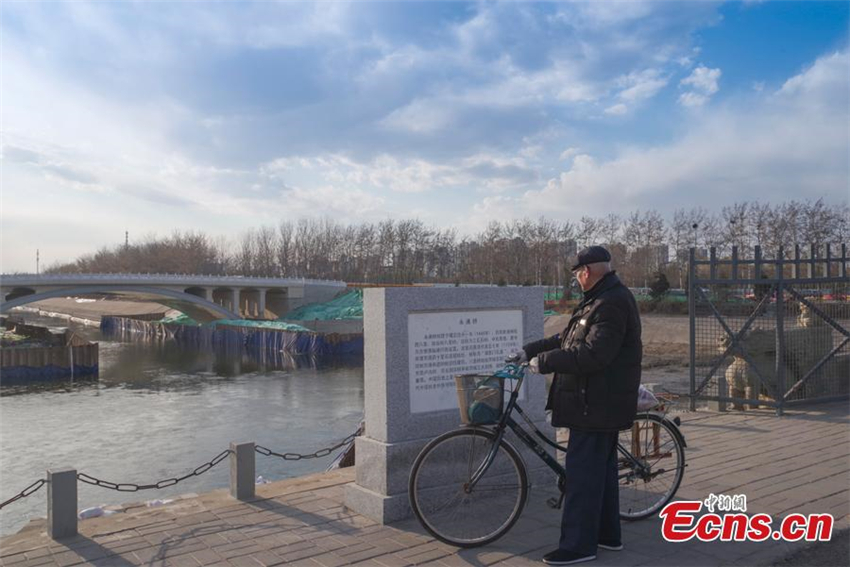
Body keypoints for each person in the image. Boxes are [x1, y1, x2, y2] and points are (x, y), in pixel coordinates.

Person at [514, 245, 642, 566]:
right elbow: (567, 339)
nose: (577, 280)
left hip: (596, 404)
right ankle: (607, 536)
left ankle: (578, 546)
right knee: (601, 473)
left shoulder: (611, 302)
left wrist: (542, 364)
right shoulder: (599, 298)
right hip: (597, 401)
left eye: (577, 274)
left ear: (586, 272)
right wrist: (528, 350)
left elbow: (594, 354)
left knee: (583, 476)